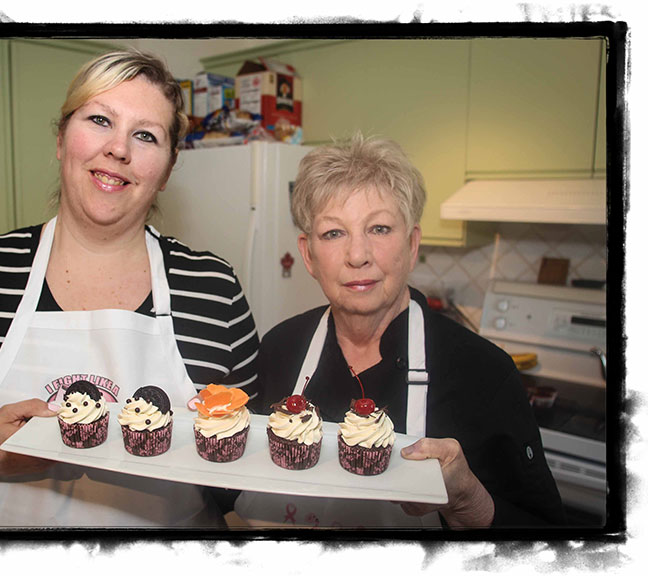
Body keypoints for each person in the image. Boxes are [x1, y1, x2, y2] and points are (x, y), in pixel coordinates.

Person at [0, 49, 259, 528]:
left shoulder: (213, 288)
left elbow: (248, 448)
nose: (118, 149)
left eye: (145, 135)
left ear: (169, 167)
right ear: (60, 138)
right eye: (99, 119)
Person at [236, 133, 565, 529]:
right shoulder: (280, 349)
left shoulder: (484, 373)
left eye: (379, 229)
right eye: (334, 233)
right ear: (308, 254)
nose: (358, 256)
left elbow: (547, 538)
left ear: (412, 244)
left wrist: (466, 499)